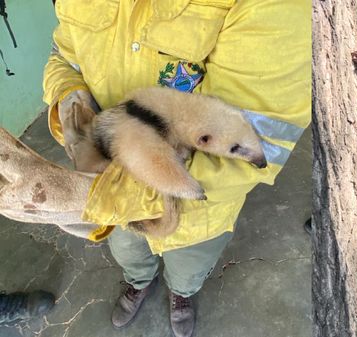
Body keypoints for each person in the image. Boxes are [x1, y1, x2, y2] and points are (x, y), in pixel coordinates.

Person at [42, 1, 310, 336]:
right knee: (128, 252)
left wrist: (123, 194)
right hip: (105, 173)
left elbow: (258, 141)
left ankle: (182, 294)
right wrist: (72, 105)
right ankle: (139, 282)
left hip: (198, 213)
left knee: (189, 267)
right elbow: (63, 56)